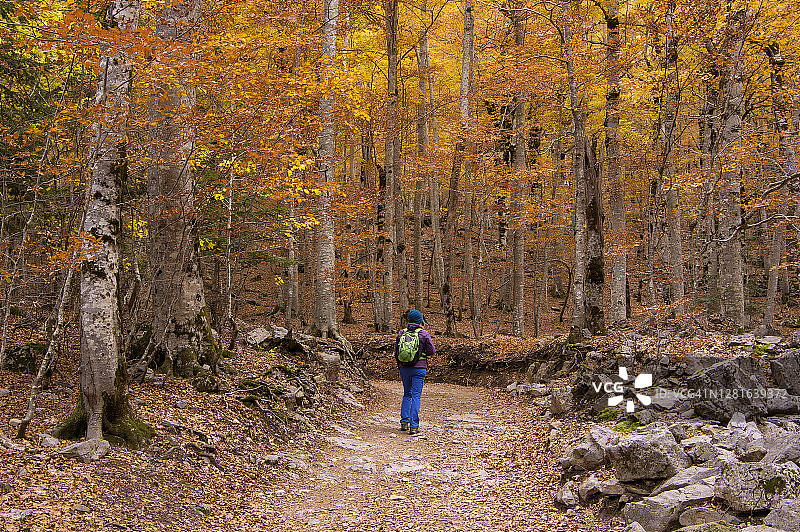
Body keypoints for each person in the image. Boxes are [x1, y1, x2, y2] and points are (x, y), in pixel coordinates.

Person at [395, 309, 435, 435]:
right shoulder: (424, 334)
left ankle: (404, 422)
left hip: (404, 368)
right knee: (416, 395)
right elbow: (432, 351)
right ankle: (414, 426)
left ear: (409, 320)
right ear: (420, 321)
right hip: (419, 368)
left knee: (407, 394)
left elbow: (396, 352)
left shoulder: (402, 333)